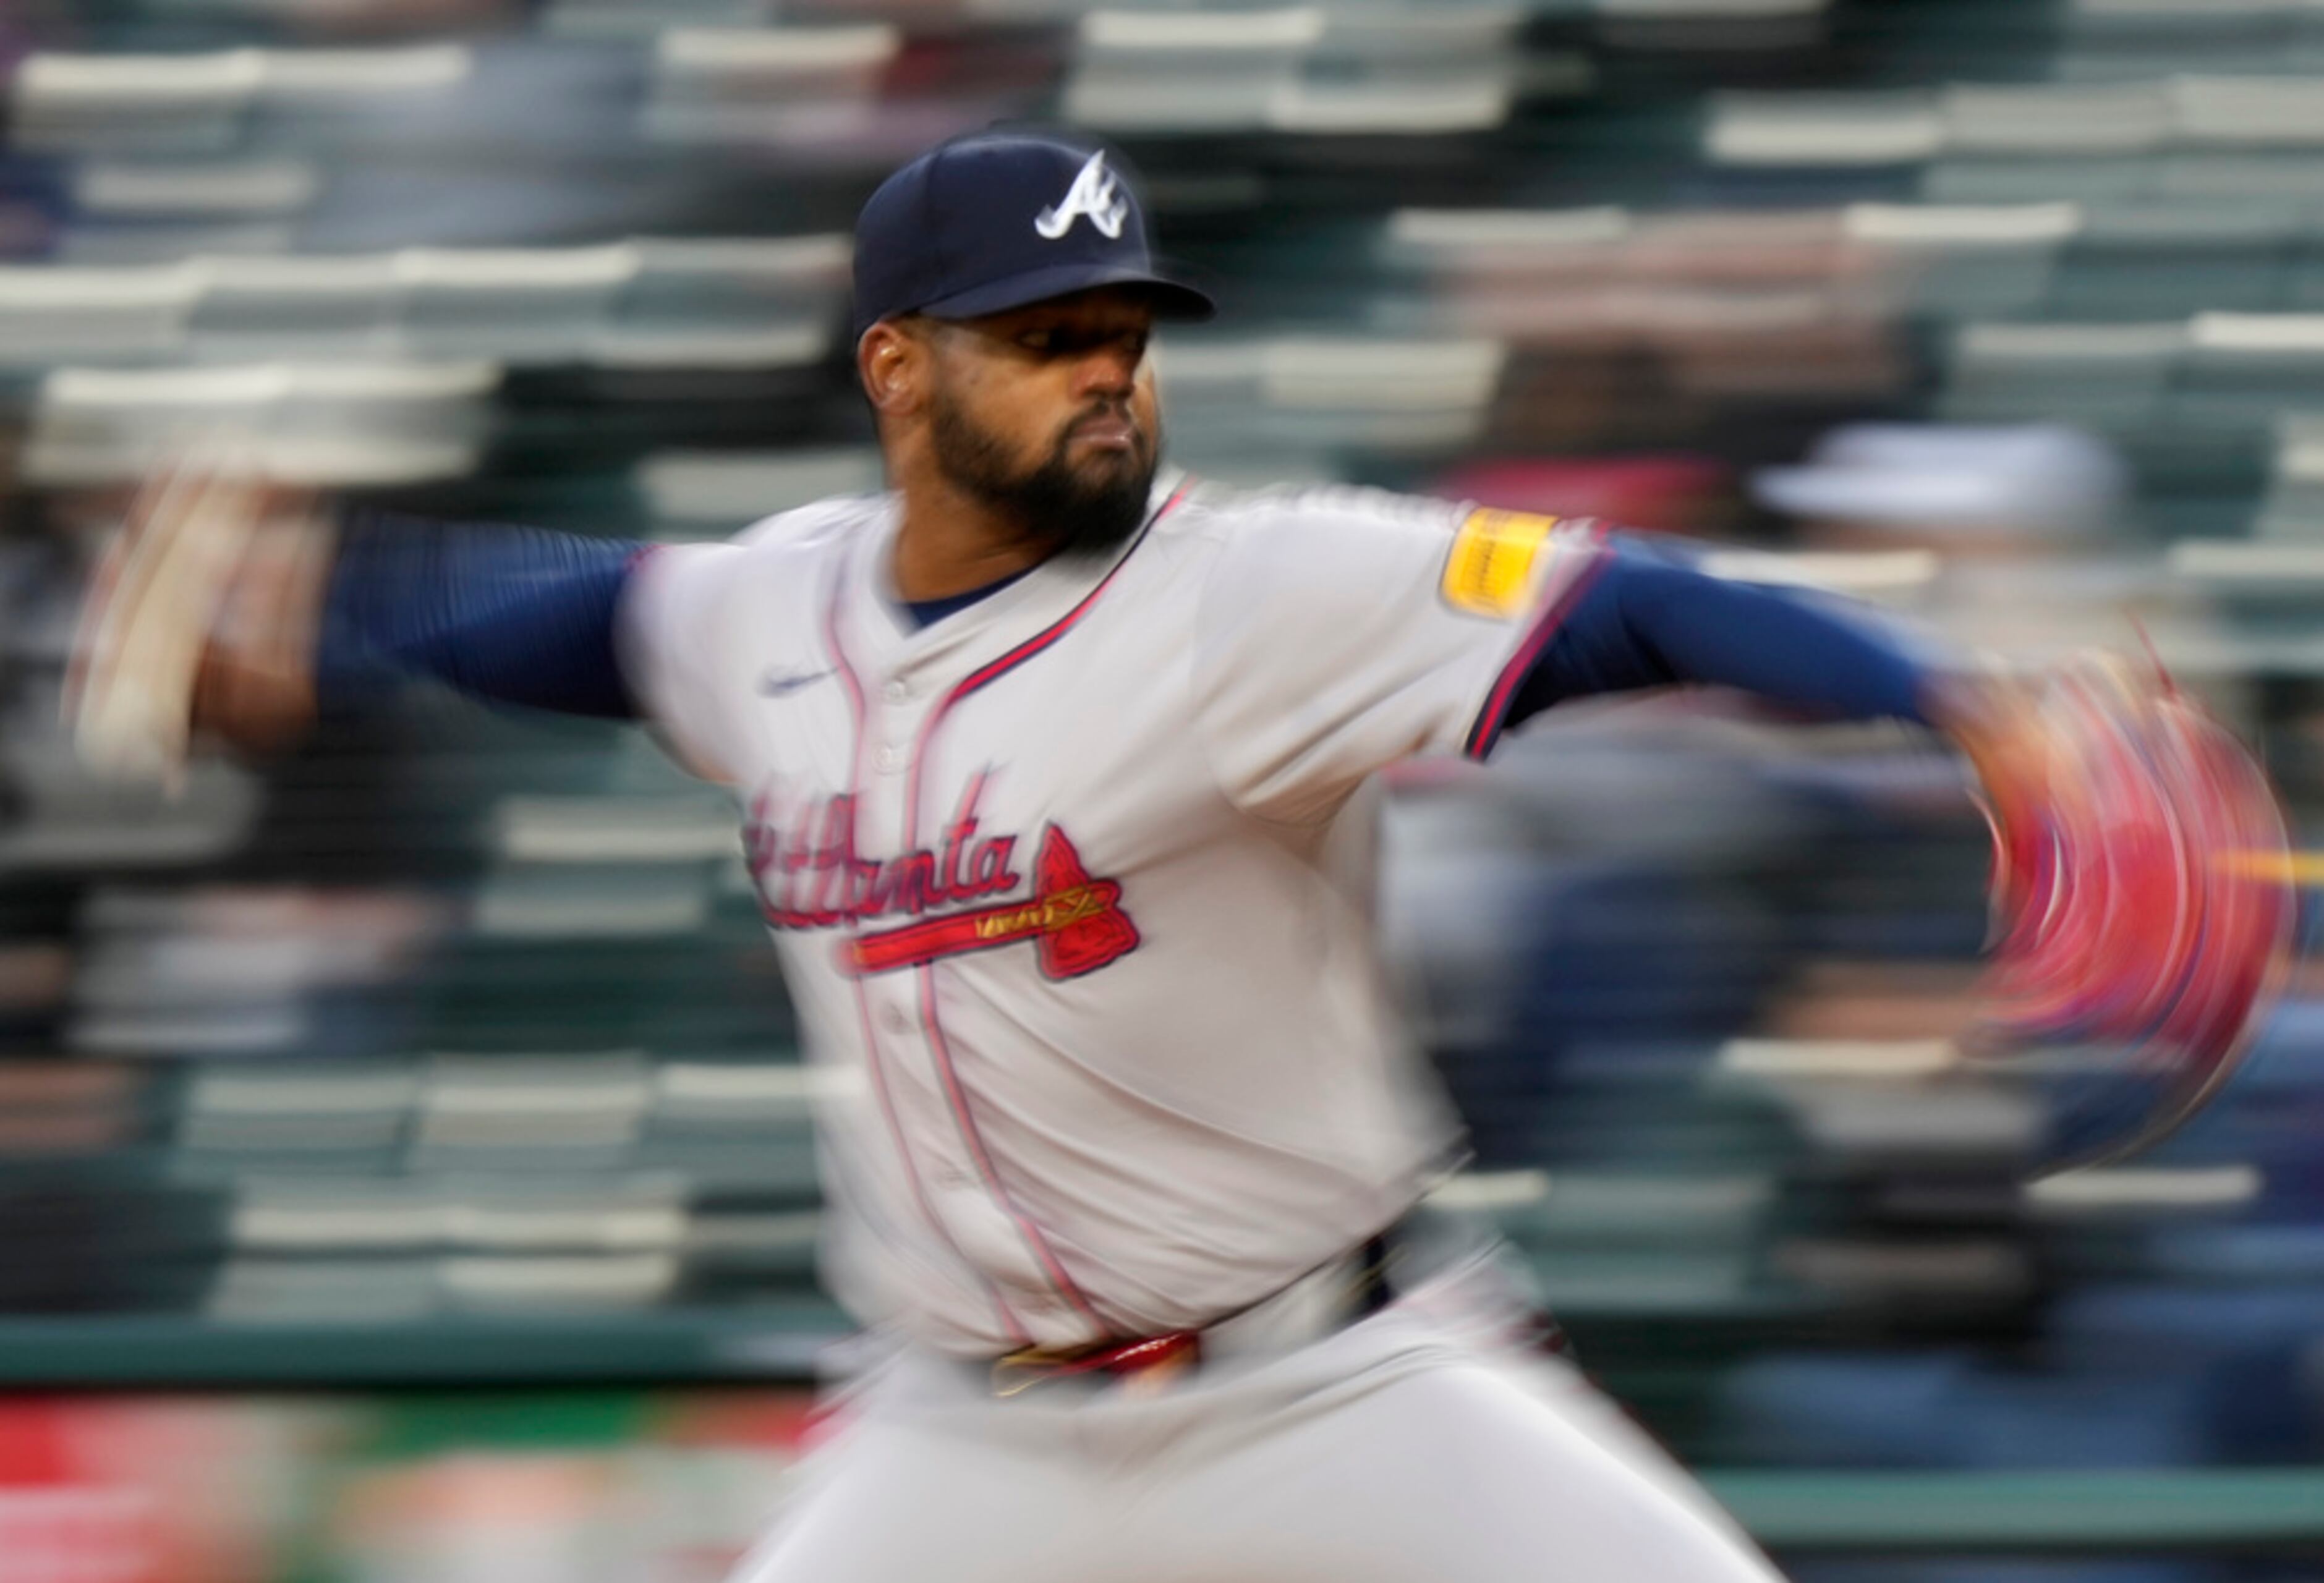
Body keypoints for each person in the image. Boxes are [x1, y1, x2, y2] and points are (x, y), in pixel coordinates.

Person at [108, 130, 2039, 1581]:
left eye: (1121, 330)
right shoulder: (766, 616)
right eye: (1044, 338)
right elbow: (558, 616)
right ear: (896, 368)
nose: (1106, 372)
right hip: (965, 1438)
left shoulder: (1260, 595)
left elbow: (1635, 608)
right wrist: (318, 605)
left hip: (1334, 1383)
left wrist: (1955, 694)